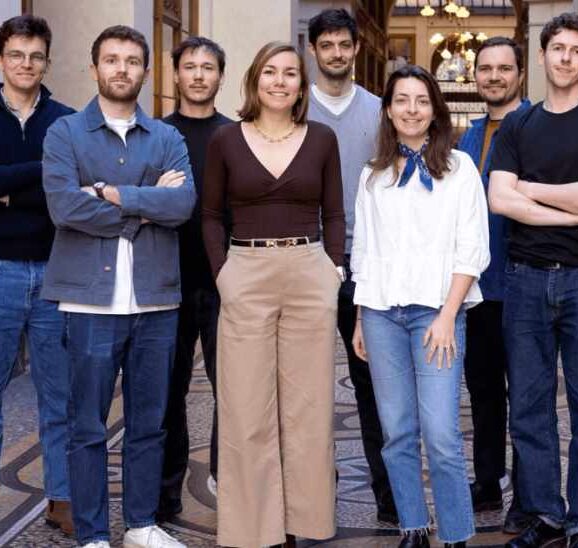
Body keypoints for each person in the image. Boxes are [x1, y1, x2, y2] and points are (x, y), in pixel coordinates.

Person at [41, 25, 195, 548]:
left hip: (156, 298)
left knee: (149, 422)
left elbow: (182, 205)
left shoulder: (167, 138)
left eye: (132, 61)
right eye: (111, 59)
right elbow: (65, 207)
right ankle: (92, 535)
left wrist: (108, 193)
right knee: (87, 425)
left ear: (145, 72)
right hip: (88, 300)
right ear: (94, 69)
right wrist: (145, 204)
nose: (121, 69)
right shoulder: (64, 133)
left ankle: (140, 525)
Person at [487, 12, 578, 548]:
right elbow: (500, 200)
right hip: (524, 279)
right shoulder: (517, 126)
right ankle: (545, 513)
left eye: (576, 50)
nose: (566, 58)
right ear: (542, 55)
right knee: (528, 405)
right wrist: (573, 210)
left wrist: (532, 188)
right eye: (558, 48)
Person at [202, 41, 344, 547]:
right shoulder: (225, 139)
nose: (279, 81)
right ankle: (252, 531)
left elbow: (335, 212)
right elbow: (210, 215)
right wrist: (224, 274)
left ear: (302, 87)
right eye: (270, 72)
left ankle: (303, 525)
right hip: (246, 271)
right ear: (254, 80)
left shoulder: (322, 139)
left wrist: (334, 270)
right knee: (246, 408)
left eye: (289, 74)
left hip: (309, 272)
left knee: (309, 408)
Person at [351, 64, 489, 548]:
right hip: (381, 314)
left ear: (435, 110)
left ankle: (455, 532)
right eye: (402, 100)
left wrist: (449, 315)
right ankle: (413, 526)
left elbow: (472, 247)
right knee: (396, 431)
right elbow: (363, 251)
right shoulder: (372, 175)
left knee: (442, 434)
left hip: (437, 313)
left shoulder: (460, 169)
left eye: (422, 101)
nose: (412, 110)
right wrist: (360, 318)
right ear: (388, 111)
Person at [0, 15, 76, 546]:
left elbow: (70, 192)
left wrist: (3, 184)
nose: (26, 64)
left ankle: (62, 497)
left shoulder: (67, 123)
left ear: (47, 62)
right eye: (17, 55)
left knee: (60, 397)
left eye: (36, 56)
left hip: (56, 273)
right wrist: (38, 172)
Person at [305, 8, 395, 523]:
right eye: (327, 45)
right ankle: (314, 497)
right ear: (313, 50)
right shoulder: (295, 108)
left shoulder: (381, 111)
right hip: (306, 261)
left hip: (366, 267)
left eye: (344, 44)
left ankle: (389, 498)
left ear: (357, 48)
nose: (336, 53)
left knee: (373, 386)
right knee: (307, 388)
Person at [454, 35, 530, 532]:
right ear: (475, 76)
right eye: (486, 69)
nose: (495, 76)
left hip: (524, 282)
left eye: (504, 68)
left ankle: (527, 492)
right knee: (482, 392)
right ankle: (487, 481)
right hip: (478, 288)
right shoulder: (470, 135)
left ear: (520, 74)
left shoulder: (537, 126)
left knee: (526, 395)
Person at [158, 35, 232, 521]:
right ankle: (165, 495)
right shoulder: (156, 135)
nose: (199, 75)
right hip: (167, 281)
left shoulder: (236, 135)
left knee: (234, 391)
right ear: (176, 74)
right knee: (167, 393)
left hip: (226, 281)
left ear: (220, 76)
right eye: (190, 66)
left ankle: (231, 487)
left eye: (208, 67)